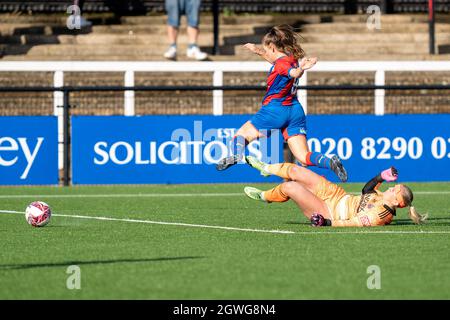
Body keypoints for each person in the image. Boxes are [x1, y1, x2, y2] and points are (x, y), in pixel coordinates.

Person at [215, 25, 347, 182]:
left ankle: (237, 154)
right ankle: (330, 162)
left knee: (242, 135)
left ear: (272, 46)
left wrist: (302, 70)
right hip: (295, 111)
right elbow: (278, 62)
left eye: (266, 48)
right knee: (303, 157)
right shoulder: (290, 59)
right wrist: (258, 51)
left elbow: (292, 72)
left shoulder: (282, 65)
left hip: (275, 110)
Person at [243, 156, 428, 227]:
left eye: (395, 189)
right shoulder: (380, 196)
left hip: (328, 210)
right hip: (337, 194)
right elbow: (366, 190)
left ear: (398, 202)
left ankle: (265, 197)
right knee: (295, 170)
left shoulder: (382, 214)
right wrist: (381, 176)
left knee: (290, 187)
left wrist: (327, 222)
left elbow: (355, 223)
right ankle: (266, 167)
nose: (393, 186)